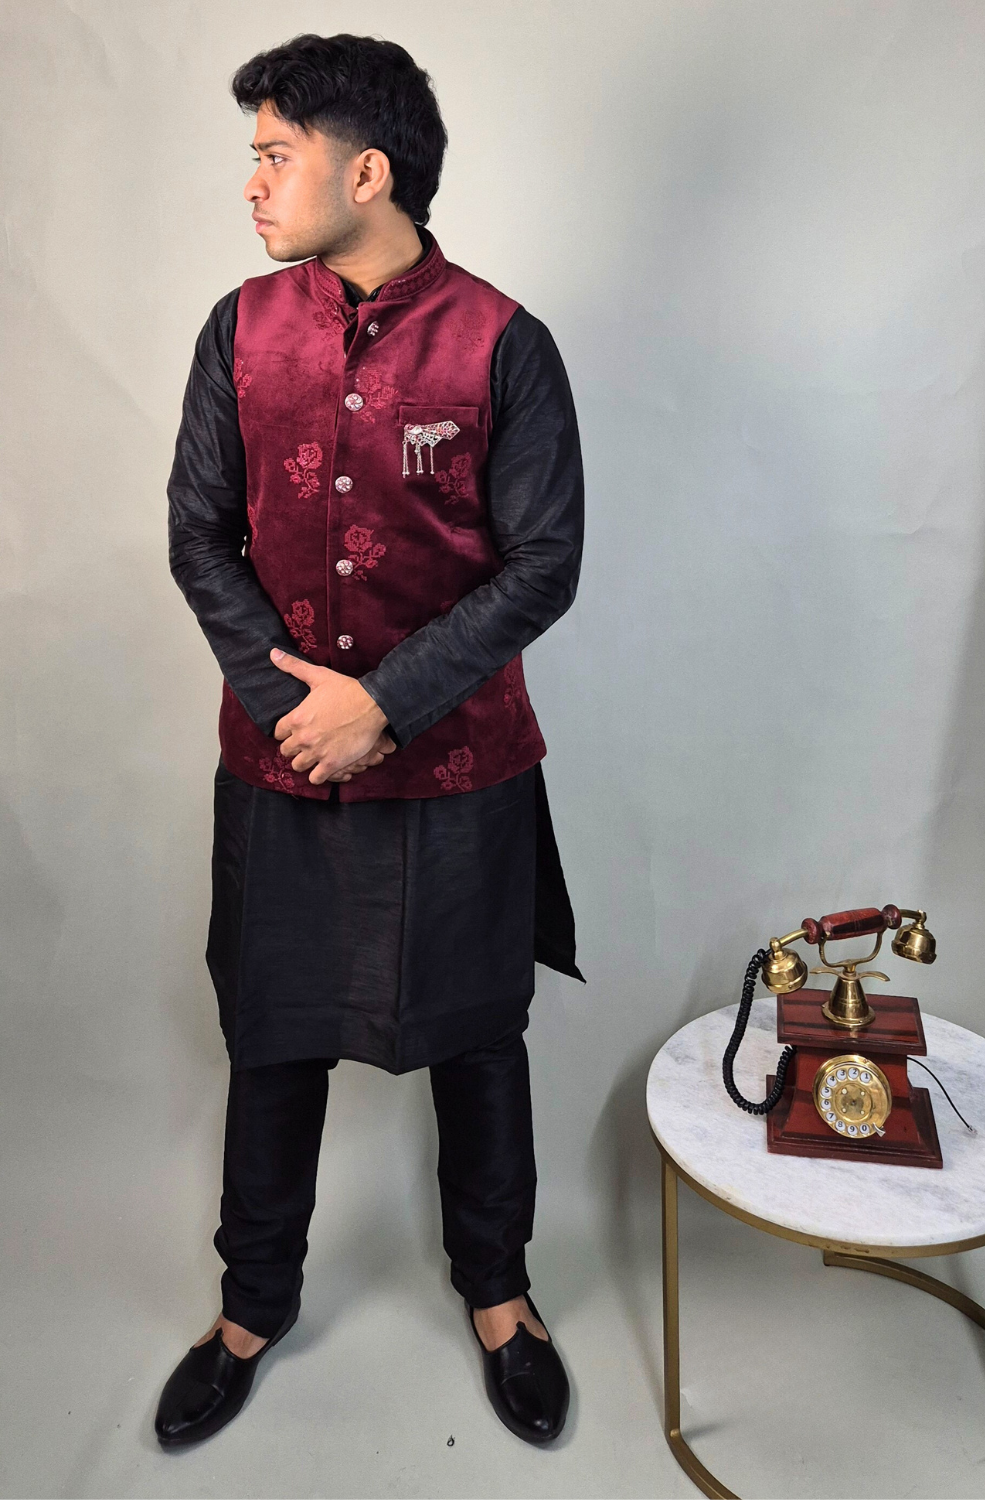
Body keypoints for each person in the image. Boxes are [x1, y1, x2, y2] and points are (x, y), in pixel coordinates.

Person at [155, 31, 585, 1449]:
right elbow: (198, 534)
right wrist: (302, 712)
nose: (252, 184)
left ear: (368, 172)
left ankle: (502, 1297)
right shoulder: (237, 330)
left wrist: (385, 703)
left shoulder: (504, 343)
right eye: (255, 157)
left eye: (275, 155)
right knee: (273, 1035)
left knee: (479, 1037)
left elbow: (546, 561)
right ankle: (249, 1307)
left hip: (461, 767)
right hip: (280, 763)